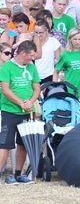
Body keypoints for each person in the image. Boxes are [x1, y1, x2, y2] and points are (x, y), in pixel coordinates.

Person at [0, 41, 41, 185]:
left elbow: (36, 88)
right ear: (23, 53)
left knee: (22, 144)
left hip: (27, 113)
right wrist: (20, 102)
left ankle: (18, 174)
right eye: (30, 55)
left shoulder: (32, 68)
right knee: (5, 144)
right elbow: (5, 90)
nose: (32, 58)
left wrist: (31, 101)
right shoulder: (7, 67)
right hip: (9, 111)